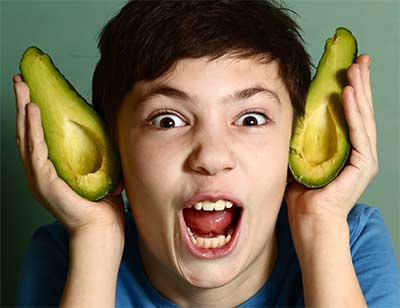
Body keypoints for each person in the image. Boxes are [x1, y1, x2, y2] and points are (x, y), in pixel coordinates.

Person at [14, 1, 399, 307]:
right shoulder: (67, 255)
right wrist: (95, 238)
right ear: (113, 149)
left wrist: (321, 226)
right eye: (167, 121)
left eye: (250, 119)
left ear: (294, 145)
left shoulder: (348, 239)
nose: (212, 157)